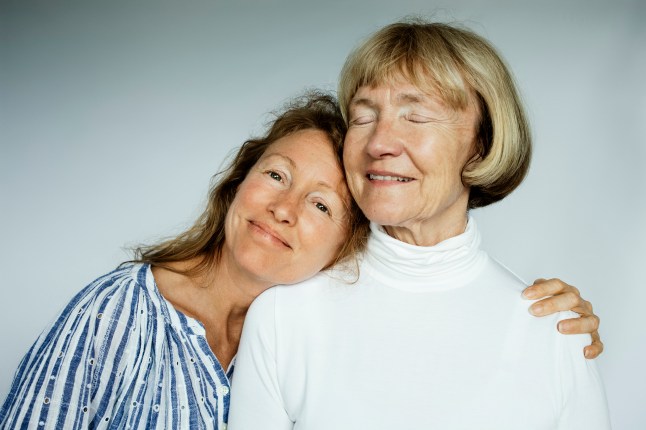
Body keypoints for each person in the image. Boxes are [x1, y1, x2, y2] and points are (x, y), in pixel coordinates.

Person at [227, 21, 611, 429]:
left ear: (481, 144)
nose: (378, 143)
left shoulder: (555, 332)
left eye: (416, 117)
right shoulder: (282, 317)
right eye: (363, 116)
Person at [0, 94, 367, 429]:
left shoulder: (301, 351)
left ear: (343, 248)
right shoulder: (115, 311)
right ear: (238, 182)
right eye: (276, 175)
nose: (283, 209)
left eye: (320, 204)